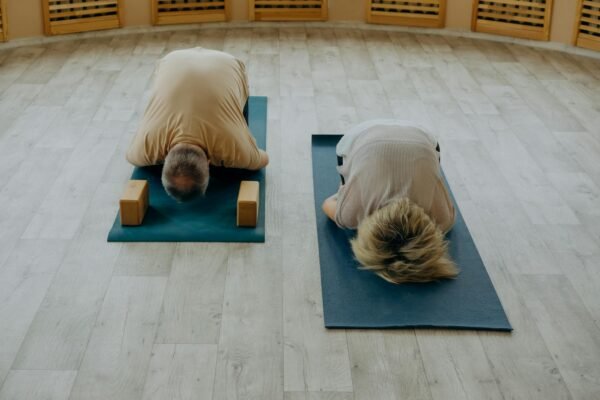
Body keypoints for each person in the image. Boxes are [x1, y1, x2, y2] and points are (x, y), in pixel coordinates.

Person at [322, 120, 458, 284]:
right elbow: (329, 202)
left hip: (418, 134)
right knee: (346, 183)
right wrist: (347, 190)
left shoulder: (442, 220)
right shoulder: (350, 217)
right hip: (360, 136)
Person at [126, 47, 269, 202]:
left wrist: (234, 155)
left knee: (238, 170)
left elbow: (263, 160)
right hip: (174, 60)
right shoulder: (145, 147)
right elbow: (262, 158)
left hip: (226, 64)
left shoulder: (232, 144)